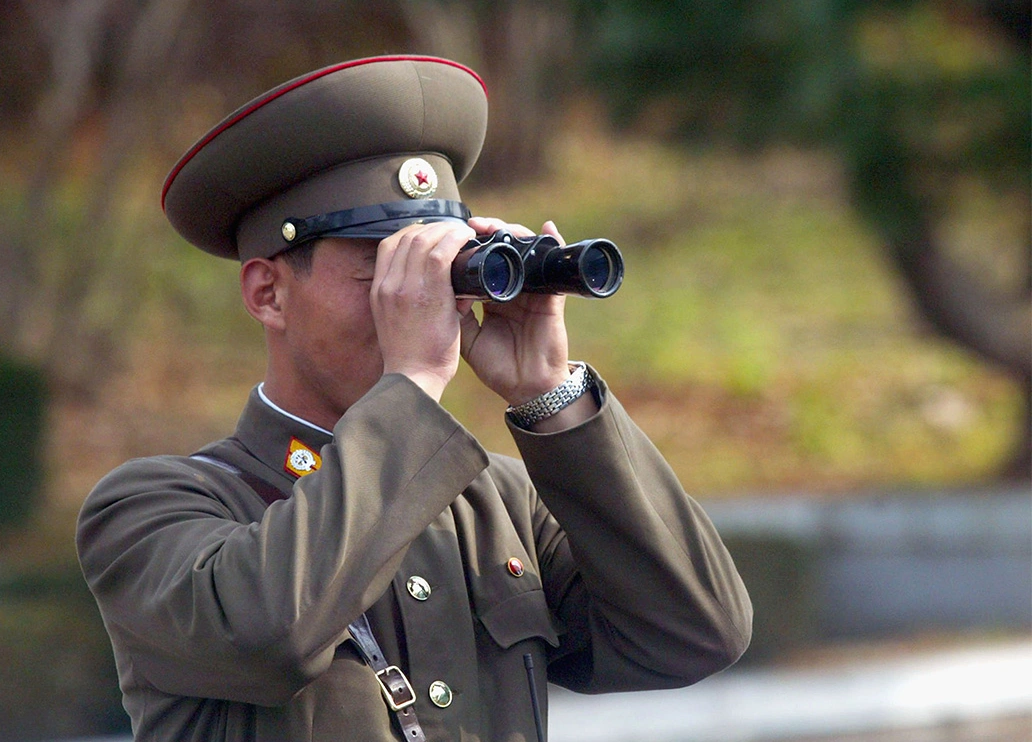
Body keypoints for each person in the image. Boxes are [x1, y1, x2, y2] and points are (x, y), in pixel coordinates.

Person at [77, 55, 752, 742]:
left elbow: (693, 634)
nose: (416, 299)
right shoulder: (150, 511)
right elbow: (265, 632)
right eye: (381, 268)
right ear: (268, 292)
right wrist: (415, 380)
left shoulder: (498, 504)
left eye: (439, 271)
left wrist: (550, 394)